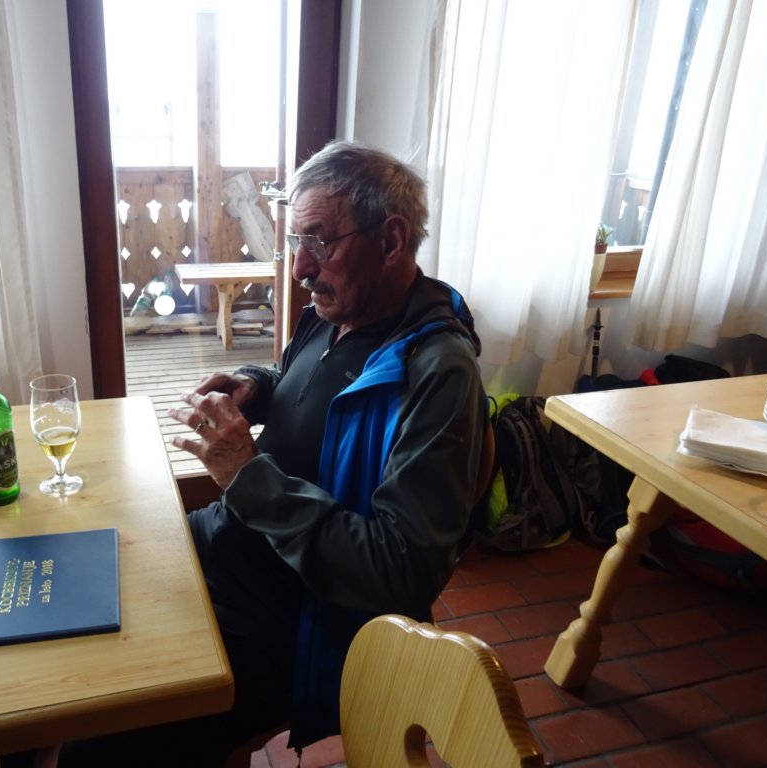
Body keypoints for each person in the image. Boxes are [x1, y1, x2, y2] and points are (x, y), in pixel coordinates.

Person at [56, 140, 486, 766]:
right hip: (226, 547)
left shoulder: (438, 373)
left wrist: (245, 476)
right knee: (79, 586)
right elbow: (307, 387)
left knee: (91, 751)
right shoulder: (333, 312)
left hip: (290, 621)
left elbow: (402, 572)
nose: (301, 267)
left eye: (319, 241)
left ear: (392, 240)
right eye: (295, 242)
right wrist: (256, 387)